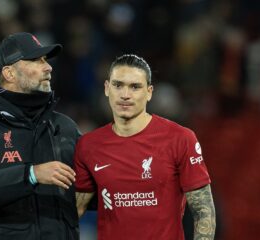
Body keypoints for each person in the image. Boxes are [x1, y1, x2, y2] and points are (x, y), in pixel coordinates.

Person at [0, 32, 80, 240]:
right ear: (9, 73)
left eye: (46, 60)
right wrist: (31, 175)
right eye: (36, 60)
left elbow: (91, 188)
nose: (48, 67)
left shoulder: (63, 126)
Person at [74, 54, 216, 239]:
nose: (125, 95)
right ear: (107, 88)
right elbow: (76, 209)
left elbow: (203, 210)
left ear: (149, 92)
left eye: (135, 87)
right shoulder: (88, 145)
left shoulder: (180, 139)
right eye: (118, 85)